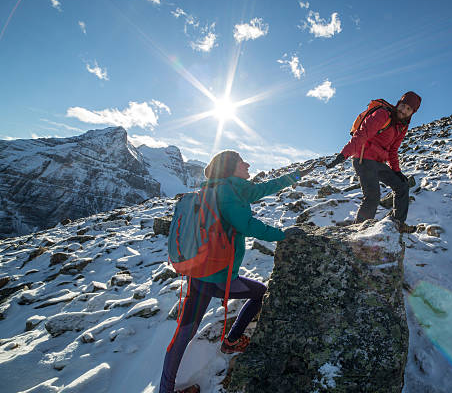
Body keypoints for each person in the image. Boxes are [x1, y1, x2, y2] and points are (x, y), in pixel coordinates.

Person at [159, 150, 313, 393]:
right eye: (242, 161)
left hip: (198, 271)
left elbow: (261, 189)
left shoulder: (218, 189)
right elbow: (247, 225)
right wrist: (283, 234)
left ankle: (165, 390)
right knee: (261, 292)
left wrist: (294, 176)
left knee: (184, 333)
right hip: (218, 277)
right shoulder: (229, 193)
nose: (248, 164)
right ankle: (231, 340)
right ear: (231, 167)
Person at [326, 91, 421, 225]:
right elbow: (362, 134)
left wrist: (397, 171)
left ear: (412, 112)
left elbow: (393, 151)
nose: (403, 110)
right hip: (363, 159)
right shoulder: (383, 114)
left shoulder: (402, 127)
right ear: (398, 103)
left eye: (408, 109)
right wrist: (343, 154)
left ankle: (397, 224)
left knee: (402, 186)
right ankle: (359, 230)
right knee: (373, 196)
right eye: (403, 105)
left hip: (378, 163)